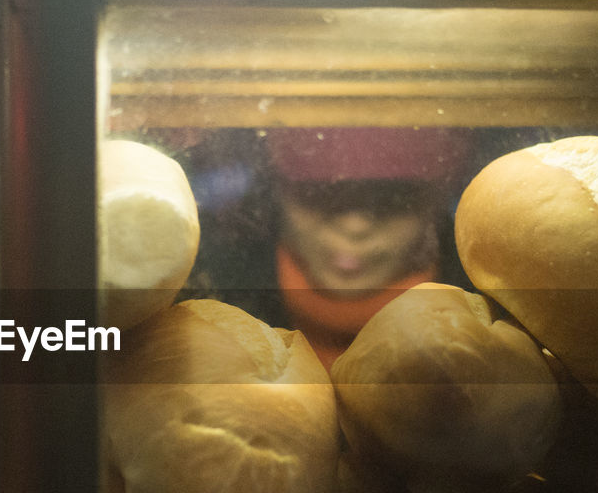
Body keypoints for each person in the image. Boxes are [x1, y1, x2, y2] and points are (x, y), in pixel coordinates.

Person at [186, 126, 475, 368]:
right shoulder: (198, 286)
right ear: (276, 189)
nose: (355, 226)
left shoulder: (494, 297)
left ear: (438, 199)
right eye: (322, 192)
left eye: (393, 196)